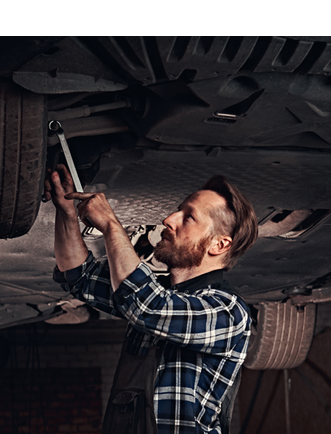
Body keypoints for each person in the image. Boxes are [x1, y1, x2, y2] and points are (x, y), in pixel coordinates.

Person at [43, 164, 258, 434]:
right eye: (178, 210)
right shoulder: (159, 294)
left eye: (188, 217)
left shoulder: (227, 311)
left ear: (219, 245)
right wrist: (66, 213)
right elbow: (78, 276)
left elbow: (148, 306)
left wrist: (110, 223)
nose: (169, 219)